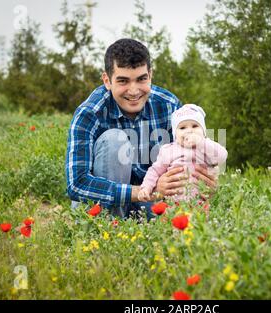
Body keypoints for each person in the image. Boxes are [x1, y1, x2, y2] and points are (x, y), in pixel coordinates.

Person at [65, 38, 219, 220]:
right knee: (115, 141)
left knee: (186, 219)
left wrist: (203, 176)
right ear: (107, 80)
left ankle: (140, 234)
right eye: (123, 81)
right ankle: (113, 235)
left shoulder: (169, 106)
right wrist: (144, 191)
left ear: (150, 75)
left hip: (150, 201)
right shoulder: (90, 113)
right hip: (99, 209)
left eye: (141, 79)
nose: (133, 90)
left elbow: (188, 157)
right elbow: (77, 183)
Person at [138, 104, 228, 203]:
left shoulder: (206, 146)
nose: (189, 130)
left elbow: (222, 157)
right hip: (174, 202)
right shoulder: (168, 150)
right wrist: (146, 188)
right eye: (182, 128)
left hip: (201, 201)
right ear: (175, 134)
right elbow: (155, 171)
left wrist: (201, 142)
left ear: (203, 130)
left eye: (195, 126)